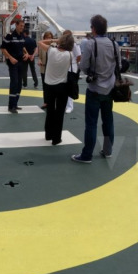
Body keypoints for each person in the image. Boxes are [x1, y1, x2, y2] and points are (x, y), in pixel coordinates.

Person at [72, 15, 121, 163]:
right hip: (110, 89)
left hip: (94, 89)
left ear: (93, 28)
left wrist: (90, 71)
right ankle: (107, 150)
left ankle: (87, 155)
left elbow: (83, 66)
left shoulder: (90, 44)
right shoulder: (114, 44)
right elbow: (118, 66)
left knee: (91, 123)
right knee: (108, 121)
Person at [39, 32, 74, 145]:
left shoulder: (51, 51)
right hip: (62, 86)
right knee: (59, 112)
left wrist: (54, 40)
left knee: (50, 111)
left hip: (49, 86)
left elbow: (40, 42)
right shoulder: (70, 55)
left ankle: (48, 134)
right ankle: (56, 138)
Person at [0, 19, 29, 113]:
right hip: (13, 63)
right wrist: (10, 58)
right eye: (21, 25)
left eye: (23, 26)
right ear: (16, 25)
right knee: (14, 83)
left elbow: (23, 46)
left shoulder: (22, 35)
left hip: (21, 62)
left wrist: (27, 53)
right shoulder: (10, 36)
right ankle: (11, 106)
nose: (22, 27)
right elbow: (3, 48)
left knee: (19, 84)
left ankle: (15, 104)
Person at [37, 31, 54, 109]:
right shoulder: (41, 46)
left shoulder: (54, 46)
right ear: (44, 38)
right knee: (45, 86)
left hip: (52, 69)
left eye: (50, 37)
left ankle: (52, 102)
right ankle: (45, 102)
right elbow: (40, 57)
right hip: (43, 68)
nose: (48, 39)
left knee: (52, 86)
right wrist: (39, 60)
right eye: (47, 37)